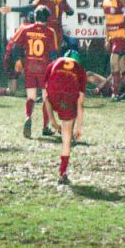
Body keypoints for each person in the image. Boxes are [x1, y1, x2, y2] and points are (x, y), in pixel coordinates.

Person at [11, 5, 59, 138]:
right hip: (44, 68)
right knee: (46, 98)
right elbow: (54, 53)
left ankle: (28, 116)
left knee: (31, 97)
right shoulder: (50, 32)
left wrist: (18, 61)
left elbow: (16, 47)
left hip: (30, 66)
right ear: (47, 18)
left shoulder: (25, 29)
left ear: (35, 17)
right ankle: (45, 127)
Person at [1, 0, 77, 53]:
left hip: (45, 31)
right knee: (55, 55)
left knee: (43, 55)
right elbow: (71, 12)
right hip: (58, 33)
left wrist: (11, 9)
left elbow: (30, 7)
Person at [44, 50, 87, 185]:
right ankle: (62, 172)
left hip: (54, 92)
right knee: (66, 137)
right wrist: (79, 127)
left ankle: (52, 122)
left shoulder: (53, 63)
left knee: (50, 97)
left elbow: (45, 96)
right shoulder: (80, 70)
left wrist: (52, 120)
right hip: (69, 95)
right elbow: (80, 103)